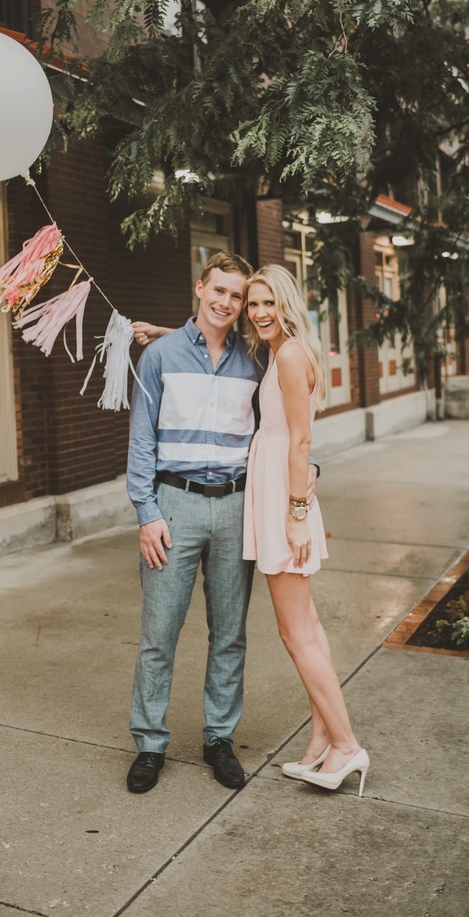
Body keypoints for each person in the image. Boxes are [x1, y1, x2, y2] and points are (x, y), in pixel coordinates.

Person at [124, 252, 261, 794]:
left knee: (230, 634)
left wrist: (310, 465)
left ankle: (219, 738)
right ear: (200, 288)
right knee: (159, 634)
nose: (226, 303)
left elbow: (280, 423)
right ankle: (150, 743)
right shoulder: (160, 356)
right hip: (173, 506)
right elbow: (141, 437)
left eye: (237, 296)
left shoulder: (256, 360)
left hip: (235, 507)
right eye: (219, 291)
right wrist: (146, 512)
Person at [237, 264, 371, 795]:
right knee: (307, 627)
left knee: (295, 632)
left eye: (268, 302)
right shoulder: (279, 352)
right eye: (253, 304)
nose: (259, 312)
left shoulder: (290, 356)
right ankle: (322, 739)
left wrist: (295, 516)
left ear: (287, 303)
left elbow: (299, 442)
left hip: (282, 497)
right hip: (276, 489)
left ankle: (346, 745)